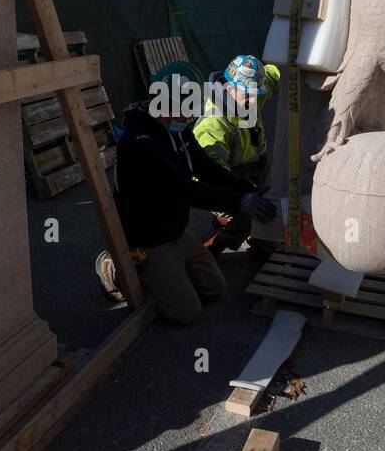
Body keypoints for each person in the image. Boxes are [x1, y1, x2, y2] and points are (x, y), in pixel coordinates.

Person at [95, 67, 277, 323]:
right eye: (185, 108)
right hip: (148, 239)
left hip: (175, 232)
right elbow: (184, 189)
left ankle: (170, 275)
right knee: (187, 313)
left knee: (215, 289)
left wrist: (249, 190)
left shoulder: (176, 129)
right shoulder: (140, 143)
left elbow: (207, 169)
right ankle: (114, 267)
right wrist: (240, 202)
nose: (190, 116)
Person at [193, 55, 281, 257]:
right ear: (229, 87)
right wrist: (240, 199)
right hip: (223, 181)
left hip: (254, 171)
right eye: (248, 95)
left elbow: (274, 74)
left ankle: (258, 238)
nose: (254, 101)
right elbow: (205, 173)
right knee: (251, 212)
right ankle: (214, 246)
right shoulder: (215, 122)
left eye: (257, 94)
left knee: (275, 202)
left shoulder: (251, 93)